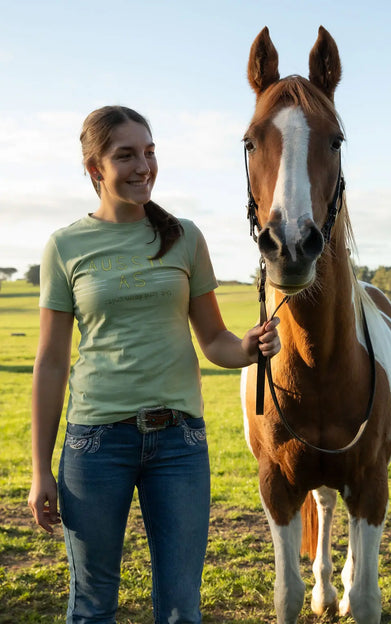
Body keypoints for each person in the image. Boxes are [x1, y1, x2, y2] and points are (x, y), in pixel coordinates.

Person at [28, 105, 280, 624]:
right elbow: (51, 363)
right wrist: (39, 470)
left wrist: (248, 348)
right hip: (95, 444)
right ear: (95, 168)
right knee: (93, 606)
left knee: (181, 609)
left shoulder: (185, 237)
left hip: (180, 444)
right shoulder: (65, 246)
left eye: (150, 152)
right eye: (126, 155)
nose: (144, 166)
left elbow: (213, 340)